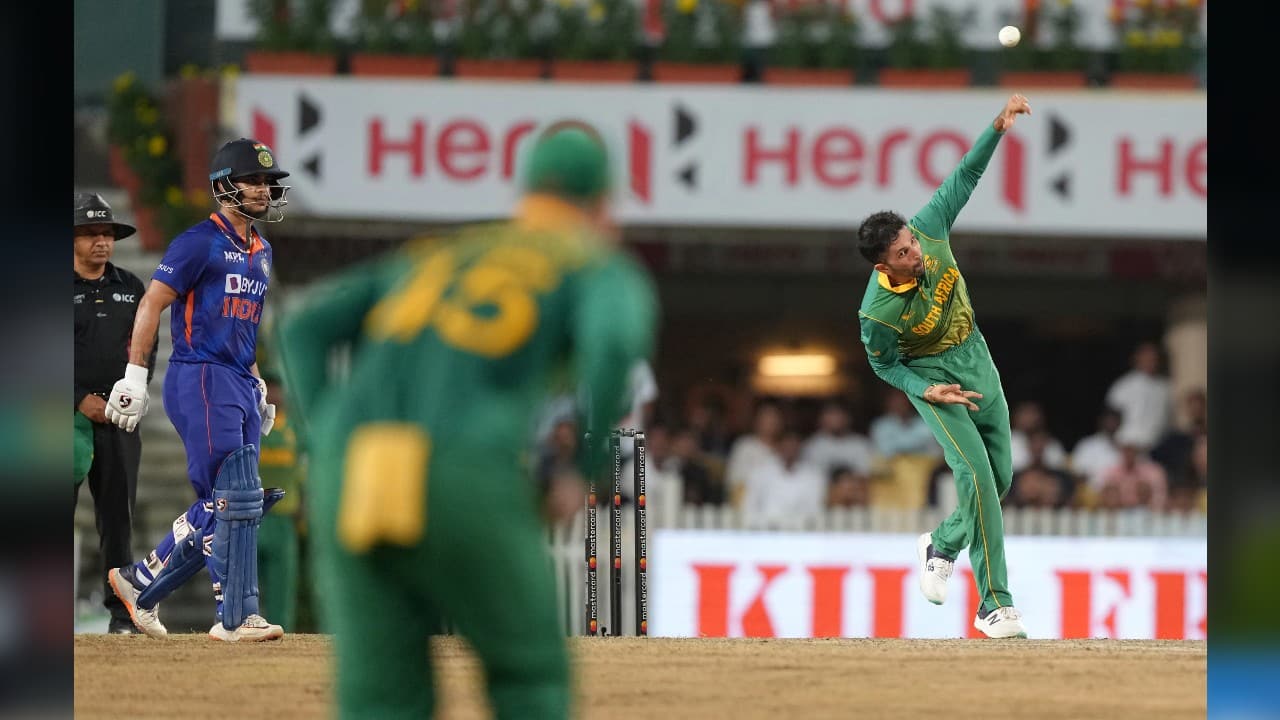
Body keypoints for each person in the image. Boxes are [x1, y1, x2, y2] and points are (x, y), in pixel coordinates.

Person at [275, 124, 657, 718]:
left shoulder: (439, 253)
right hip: (461, 466)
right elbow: (610, 350)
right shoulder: (595, 264)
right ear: (604, 204)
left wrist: (323, 438)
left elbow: (302, 327)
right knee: (527, 673)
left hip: (353, 472)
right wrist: (581, 470)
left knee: (382, 694)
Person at [855, 93, 1033, 639]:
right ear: (885, 266)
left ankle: (943, 543)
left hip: (976, 357)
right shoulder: (877, 315)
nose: (919, 253)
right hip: (932, 377)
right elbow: (883, 366)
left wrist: (996, 128)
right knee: (976, 476)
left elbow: (965, 176)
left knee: (1000, 477)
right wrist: (923, 390)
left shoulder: (929, 227)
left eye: (913, 242)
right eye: (906, 253)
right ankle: (994, 605)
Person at [102, 137, 292, 642]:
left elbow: (243, 326)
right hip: (200, 375)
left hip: (235, 378)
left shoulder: (263, 250)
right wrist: (135, 375)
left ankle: (139, 583)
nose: (264, 191)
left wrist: (257, 386)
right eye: (253, 181)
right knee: (236, 497)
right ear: (224, 187)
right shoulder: (197, 242)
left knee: (228, 501)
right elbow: (151, 305)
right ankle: (236, 617)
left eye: (267, 183)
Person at [73, 192, 156, 634]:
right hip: (63, 416)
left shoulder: (131, 287)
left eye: (106, 233)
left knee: (118, 520)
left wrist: (133, 391)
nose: (101, 242)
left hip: (119, 420)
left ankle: (122, 616)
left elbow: (146, 344)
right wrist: (77, 397)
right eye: (89, 234)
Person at [255, 365, 306, 632]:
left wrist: (305, 508)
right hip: (252, 519)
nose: (274, 395)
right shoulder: (252, 423)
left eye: (278, 389)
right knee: (243, 590)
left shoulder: (294, 428)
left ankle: (281, 636)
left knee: (281, 592)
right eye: (269, 389)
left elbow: (306, 469)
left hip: (284, 519)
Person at [1105, 341, 1173, 450]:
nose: (1151, 362)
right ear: (1137, 359)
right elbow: (1111, 418)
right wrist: (1114, 442)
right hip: (1127, 446)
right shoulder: (1123, 385)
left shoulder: (1165, 388)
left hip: (1156, 447)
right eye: (1146, 358)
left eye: (1153, 359)